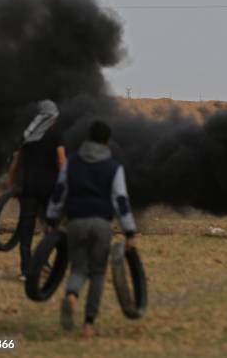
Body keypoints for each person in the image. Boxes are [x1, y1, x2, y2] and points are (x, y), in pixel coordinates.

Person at [46, 121, 137, 338]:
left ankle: (71, 296)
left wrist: (51, 220)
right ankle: (88, 325)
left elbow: (59, 192)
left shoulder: (72, 162)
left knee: (78, 268)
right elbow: (121, 201)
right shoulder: (114, 167)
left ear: (88, 138)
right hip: (101, 224)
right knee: (97, 272)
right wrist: (130, 231)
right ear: (107, 142)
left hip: (75, 221)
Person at [8, 100, 65, 281]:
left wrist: (11, 181)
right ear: (52, 116)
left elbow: (16, 160)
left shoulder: (28, 133)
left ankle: (26, 271)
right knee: (52, 227)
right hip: (50, 188)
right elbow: (61, 161)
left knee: (26, 229)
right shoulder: (56, 133)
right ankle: (49, 264)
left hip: (29, 187)